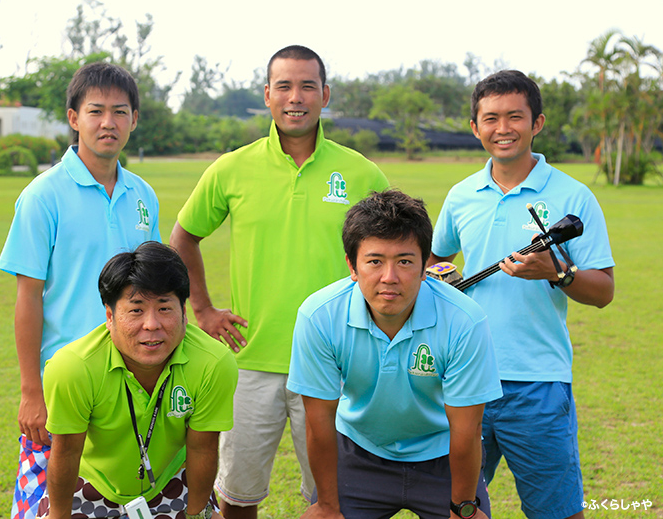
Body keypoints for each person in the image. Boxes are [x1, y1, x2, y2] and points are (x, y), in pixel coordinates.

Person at [169, 45, 389, 518]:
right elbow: (184, 237)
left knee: (335, 499)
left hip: (337, 359)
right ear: (267, 95)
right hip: (251, 359)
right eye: (284, 86)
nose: (296, 97)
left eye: (308, 86)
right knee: (238, 495)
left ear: (325, 94)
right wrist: (203, 310)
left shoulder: (360, 171)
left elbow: (391, 250)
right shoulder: (231, 168)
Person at [427, 70, 615, 519]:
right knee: (455, 508)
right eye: (491, 118)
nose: (503, 128)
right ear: (475, 128)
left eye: (515, 116)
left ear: (538, 123)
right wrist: (442, 274)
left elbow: (604, 291)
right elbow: (432, 261)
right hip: (465, 378)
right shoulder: (461, 195)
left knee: (557, 511)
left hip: (539, 383)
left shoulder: (574, 196)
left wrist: (558, 273)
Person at [0, 62, 161, 519]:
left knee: (122, 500)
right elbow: (27, 299)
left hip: (130, 379)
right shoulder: (42, 196)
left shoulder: (144, 195)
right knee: (50, 507)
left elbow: (152, 292)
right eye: (96, 111)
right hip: (63, 381)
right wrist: (32, 392)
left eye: (120, 112)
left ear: (134, 119)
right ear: (74, 118)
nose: (108, 122)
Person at [287, 190, 502, 519]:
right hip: (359, 452)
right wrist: (328, 505)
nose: (390, 277)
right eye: (374, 261)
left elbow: (467, 430)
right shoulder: (319, 316)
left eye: (404, 261)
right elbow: (318, 423)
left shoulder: (465, 320)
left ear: (424, 264)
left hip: (442, 454)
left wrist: (463, 508)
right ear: (352, 265)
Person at [34, 241, 237, 519]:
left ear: (184, 312)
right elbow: (66, 452)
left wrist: (199, 514)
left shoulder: (213, 363)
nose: (152, 324)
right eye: (136, 310)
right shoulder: (73, 367)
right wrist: (58, 516)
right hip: (92, 479)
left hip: (171, 477)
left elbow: (202, 447)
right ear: (110, 316)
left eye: (165, 308)